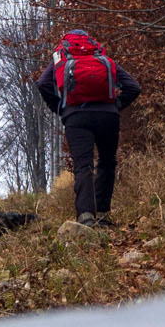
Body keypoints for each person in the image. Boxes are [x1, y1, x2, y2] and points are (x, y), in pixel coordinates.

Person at [37, 29, 141, 228]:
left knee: (83, 165)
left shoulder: (61, 57)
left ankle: (86, 216)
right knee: (107, 162)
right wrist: (116, 105)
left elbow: (42, 83)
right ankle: (102, 213)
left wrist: (60, 108)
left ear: (68, 42)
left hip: (76, 116)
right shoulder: (101, 56)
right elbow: (133, 87)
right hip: (108, 116)